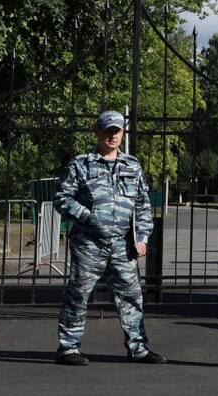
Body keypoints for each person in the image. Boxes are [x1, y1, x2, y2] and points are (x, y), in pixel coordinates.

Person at [53, 110, 166, 366]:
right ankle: (68, 348)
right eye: (108, 131)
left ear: (123, 134)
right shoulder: (80, 164)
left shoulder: (132, 166)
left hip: (122, 245)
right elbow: (61, 198)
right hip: (89, 244)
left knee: (131, 297)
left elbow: (141, 204)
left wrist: (142, 236)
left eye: (117, 131)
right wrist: (87, 216)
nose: (112, 135)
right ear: (97, 132)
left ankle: (138, 348)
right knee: (79, 294)